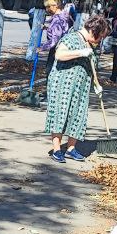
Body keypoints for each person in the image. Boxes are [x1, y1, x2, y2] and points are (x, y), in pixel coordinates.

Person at [45, 14, 106, 163]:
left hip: (81, 86)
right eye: (101, 36)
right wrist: (80, 52)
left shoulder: (89, 44)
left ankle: (71, 148)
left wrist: (97, 84)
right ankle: (57, 149)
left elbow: (92, 67)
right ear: (94, 31)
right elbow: (59, 55)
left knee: (78, 115)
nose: (101, 40)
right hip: (62, 84)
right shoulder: (71, 38)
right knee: (60, 114)